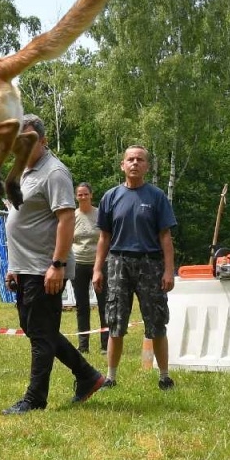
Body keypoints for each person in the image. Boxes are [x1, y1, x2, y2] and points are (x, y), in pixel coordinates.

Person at [1, 115, 107, 415]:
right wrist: (13, 266)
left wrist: (58, 265)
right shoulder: (23, 171)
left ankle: (35, 399)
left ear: (43, 140)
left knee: (40, 333)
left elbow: (65, 220)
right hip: (25, 267)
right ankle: (87, 375)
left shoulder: (55, 172)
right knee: (37, 328)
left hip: (44, 268)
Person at [92, 146, 177, 390]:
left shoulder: (157, 196)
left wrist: (169, 270)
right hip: (118, 262)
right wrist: (98, 269)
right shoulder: (111, 197)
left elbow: (165, 236)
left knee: (157, 322)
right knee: (115, 322)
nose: (135, 163)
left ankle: (164, 376)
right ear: (122, 165)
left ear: (146, 166)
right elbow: (104, 238)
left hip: (151, 263)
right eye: (130, 159)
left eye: (140, 160)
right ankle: (110, 377)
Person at [69, 183, 107, 354]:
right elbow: (67, 240)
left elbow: (107, 238)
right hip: (78, 265)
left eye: (86, 194)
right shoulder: (72, 216)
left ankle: (106, 345)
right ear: (76, 197)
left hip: (99, 265)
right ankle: (83, 345)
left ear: (91, 195)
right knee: (82, 306)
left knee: (103, 305)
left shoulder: (100, 214)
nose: (83, 197)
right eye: (80, 195)